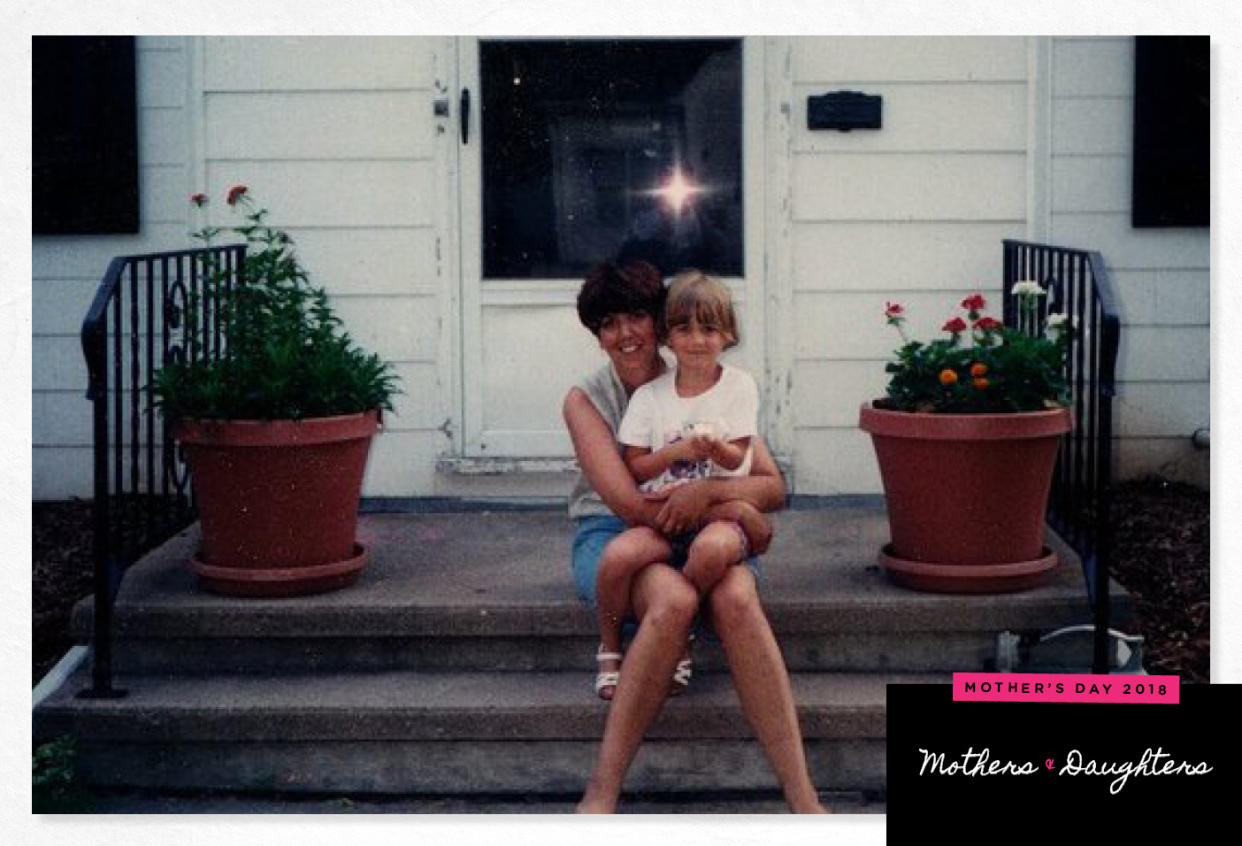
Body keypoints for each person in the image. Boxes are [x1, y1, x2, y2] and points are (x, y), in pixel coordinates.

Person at [565, 261, 827, 814]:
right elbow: (630, 504)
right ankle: (602, 793)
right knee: (675, 598)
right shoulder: (586, 400)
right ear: (595, 334)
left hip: (705, 528)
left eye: (637, 316)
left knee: (734, 595)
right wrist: (738, 510)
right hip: (620, 534)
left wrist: (717, 499)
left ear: (660, 322)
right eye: (608, 323)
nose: (626, 334)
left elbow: (772, 485)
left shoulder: (701, 379)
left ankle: (803, 797)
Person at [592, 270, 764, 701]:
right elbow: (635, 467)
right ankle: (609, 649)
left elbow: (741, 458)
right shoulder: (652, 396)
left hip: (714, 519)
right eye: (684, 329)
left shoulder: (739, 387)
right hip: (664, 519)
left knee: (710, 551)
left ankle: (680, 637)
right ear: (668, 337)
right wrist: (677, 452)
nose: (696, 340)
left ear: (728, 334)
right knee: (617, 555)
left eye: (709, 329)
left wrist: (715, 448)